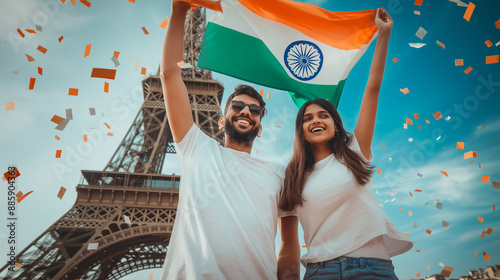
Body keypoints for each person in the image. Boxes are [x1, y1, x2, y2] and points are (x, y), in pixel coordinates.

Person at [159, 1, 300, 279]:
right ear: (222, 121)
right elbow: (169, 74)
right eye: (237, 106)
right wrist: (178, 13)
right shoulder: (195, 146)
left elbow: (289, 246)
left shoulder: (279, 174)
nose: (246, 111)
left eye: (255, 110)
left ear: (259, 128)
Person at [279, 8, 412, 280]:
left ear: (336, 124)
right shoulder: (292, 177)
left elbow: (372, 90)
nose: (316, 120)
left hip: (372, 269)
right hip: (320, 271)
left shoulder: (354, 150)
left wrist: (383, 35)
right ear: (301, 130)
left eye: (323, 115)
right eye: (308, 118)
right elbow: (288, 245)